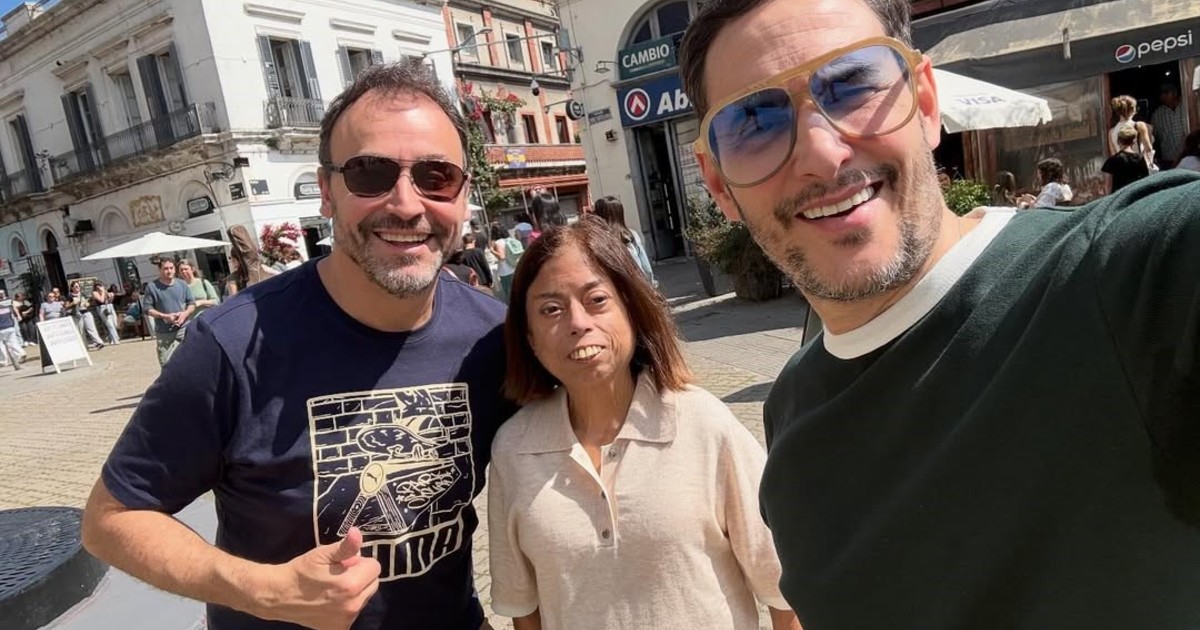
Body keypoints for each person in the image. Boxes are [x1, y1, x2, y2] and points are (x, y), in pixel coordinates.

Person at [680, 0, 1200, 628]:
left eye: (851, 84)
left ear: (925, 102)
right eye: (754, 120)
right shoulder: (791, 412)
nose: (820, 152)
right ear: (717, 183)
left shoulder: (1125, 272)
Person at [82, 60, 515, 630]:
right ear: (327, 192)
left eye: (437, 176)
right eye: (370, 173)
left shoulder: (496, 336)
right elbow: (110, 518)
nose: (408, 204)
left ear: (463, 196)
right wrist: (263, 591)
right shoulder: (233, 343)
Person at [488, 220, 797, 630]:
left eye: (597, 299)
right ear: (529, 336)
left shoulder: (702, 422)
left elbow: (784, 589)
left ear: (631, 309)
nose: (578, 322)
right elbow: (524, 610)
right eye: (551, 309)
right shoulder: (514, 448)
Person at [590, 196, 656, 285]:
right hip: (638, 284)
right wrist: (650, 285)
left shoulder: (600, 239)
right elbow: (646, 267)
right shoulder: (631, 234)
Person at [141, 259, 195, 366]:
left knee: (191, 359)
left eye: (171, 268)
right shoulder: (152, 287)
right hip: (164, 331)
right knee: (166, 363)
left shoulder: (182, 284)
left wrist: (184, 314)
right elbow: (147, 308)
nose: (169, 271)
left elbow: (191, 303)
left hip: (183, 328)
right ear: (160, 270)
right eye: (166, 268)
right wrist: (164, 316)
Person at [224, 225, 278, 297]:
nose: (231, 262)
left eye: (232, 259)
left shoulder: (233, 277)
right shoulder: (261, 268)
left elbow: (234, 299)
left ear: (239, 259)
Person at [1108, 95, 1156, 170]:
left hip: (1123, 170)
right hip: (1139, 167)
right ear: (1133, 110)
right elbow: (1148, 149)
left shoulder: (1111, 132)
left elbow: (1114, 155)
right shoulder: (1139, 125)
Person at [1101, 125, 1152, 194]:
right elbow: (1145, 180)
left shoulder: (1111, 161)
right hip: (1136, 195)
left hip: (1120, 197)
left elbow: (1108, 185)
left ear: (1118, 141)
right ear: (1133, 141)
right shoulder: (1140, 158)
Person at [1151, 84, 1187, 168]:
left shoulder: (1187, 106)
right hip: (1168, 161)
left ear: (1175, 93)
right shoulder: (1157, 114)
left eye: (1167, 92)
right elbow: (1153, 136)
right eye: (1162, 93)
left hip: (1188, 158)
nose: (1164, 96)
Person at [65, 281, 106, 350]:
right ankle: (84, 346)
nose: (78, 288)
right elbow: (66, 306)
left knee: (91, 328)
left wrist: (88, 304)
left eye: (78, 286)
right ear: (72, 288)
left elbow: (89, 302)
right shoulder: (70, 296)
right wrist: (73, 303)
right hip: (77, 314)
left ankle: (99, 342)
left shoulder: (82, 294)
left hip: (86, 312)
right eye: (76, 286)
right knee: (81, 331)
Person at [489, 224, 521, 303]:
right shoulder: (510, 239)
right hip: (514, 267)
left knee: (510, 293)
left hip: (505, 271)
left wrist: (492, 251)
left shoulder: (498, 242)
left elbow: (502, 257)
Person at [0, 290, 26, 370]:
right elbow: (13, 310)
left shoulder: (7, 303)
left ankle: (3, 360)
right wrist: (18, 316)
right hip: (10, 326)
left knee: (1, 345)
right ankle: (20, 353)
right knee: (13, 342)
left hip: (1, 328)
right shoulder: (8, 307)